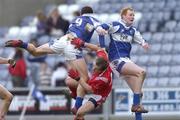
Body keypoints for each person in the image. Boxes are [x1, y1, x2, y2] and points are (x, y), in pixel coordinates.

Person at [4, 6, 107, 111]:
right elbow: (101, 31)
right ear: (92, 13)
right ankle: (77, 105)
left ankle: (23, 44)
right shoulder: (93, 19)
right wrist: (102, 46)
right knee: (84, 79)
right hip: (73, 46)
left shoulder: (75, 20)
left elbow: (80, 36)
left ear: (81, 14)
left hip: (63, 40)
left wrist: (89, 47)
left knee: (36, 51)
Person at [99, 7, 150, 120]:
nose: (132, 17)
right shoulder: (116, 25)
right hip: (117, 61)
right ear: (123, 16)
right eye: (130, 15)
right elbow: (100, 28)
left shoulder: (133, 30)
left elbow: (141, 40)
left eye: (133, 15)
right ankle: (135, 105)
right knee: (142, 72)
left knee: (139, 93)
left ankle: (138, 114)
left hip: (126, 61)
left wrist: (144, 44)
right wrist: (102, 46)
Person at [66, 38, 112, 120]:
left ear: (101, 70)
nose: (93, 68)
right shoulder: (102, 58)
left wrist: (77, 78)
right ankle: (76, 101)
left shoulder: (103, 79)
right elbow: (98, 48)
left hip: (99, 94)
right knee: (69, 82)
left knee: (79, 114)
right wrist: (82, 43)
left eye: (95, 68)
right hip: (93, 84)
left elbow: (89, 89)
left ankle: (77, 105)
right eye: (94, 65)